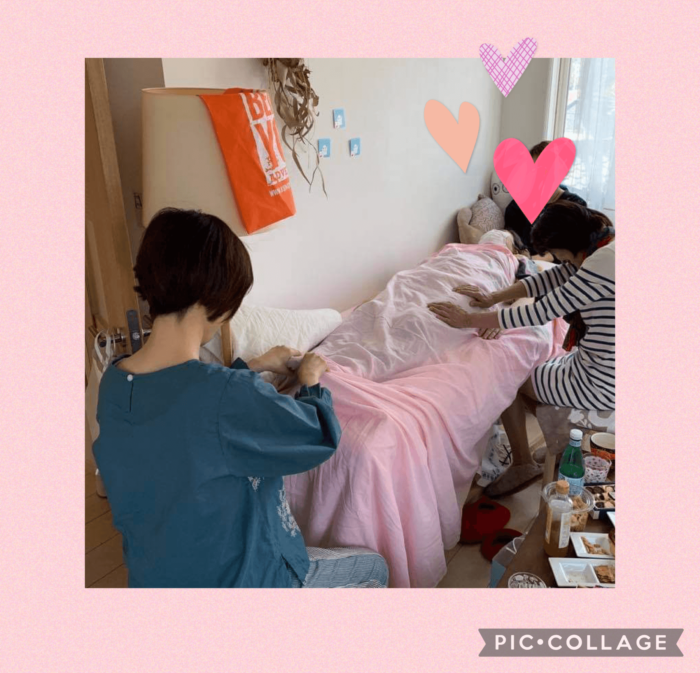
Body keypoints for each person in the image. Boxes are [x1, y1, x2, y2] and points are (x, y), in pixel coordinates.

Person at [93, 208, 389, 588]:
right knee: (375, 569)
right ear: (217, 301)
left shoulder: (114, 384)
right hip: (247, 581)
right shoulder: (224, 395)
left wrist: (253, 366)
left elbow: (188, 409)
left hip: (155, 579)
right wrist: (311, 381)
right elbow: (318, 435)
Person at [428, 201, 615, 496]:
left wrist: (468, 320)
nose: (557, 259)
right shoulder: (601, 243)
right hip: (595, 364)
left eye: (558, 253)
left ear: (569, 243)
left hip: (602, 380)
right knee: (532, 371)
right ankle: (559, 446)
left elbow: (542, 310)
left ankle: (523, 463)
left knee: (509, 377)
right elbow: (550, 277)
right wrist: (493, 298)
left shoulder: (602, 263)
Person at [504, 140, 587, 251]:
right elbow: (513, 244)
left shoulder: (576, 205)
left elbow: (575, 248)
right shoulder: (517, 206)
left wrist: (547, 257)